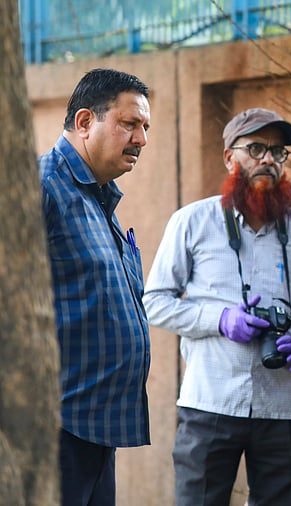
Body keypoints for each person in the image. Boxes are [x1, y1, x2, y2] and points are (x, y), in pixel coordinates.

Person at [142, 107, 291, 505]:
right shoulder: (191, 222)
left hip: (287, 405)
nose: (269, 160)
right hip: (210, 401)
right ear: (230, 157)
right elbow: (154, 303)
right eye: (256, 148)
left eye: (278, 152)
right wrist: (220, 320)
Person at [39, 68, 152, 505]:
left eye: (145, 127)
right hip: (55, 432)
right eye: (130, 124)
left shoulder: (99, 197)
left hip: (98, 431)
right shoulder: (44, 189)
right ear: (85, 122)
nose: (141, 138)